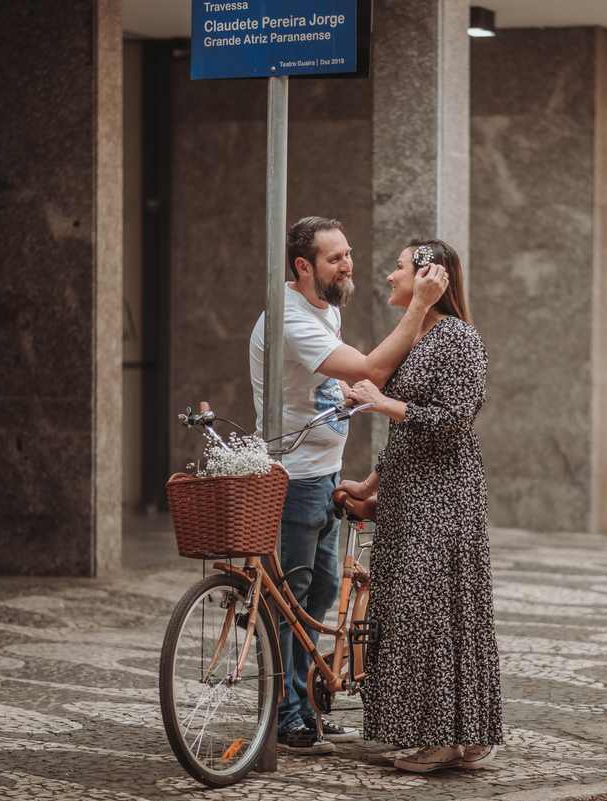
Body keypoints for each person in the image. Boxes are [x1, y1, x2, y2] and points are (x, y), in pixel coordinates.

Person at [249, 217, 449, 755]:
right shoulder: (289, 317)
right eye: (334, 258)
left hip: (325, 472)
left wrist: (345, 392)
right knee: (291, 601)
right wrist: (418, 307)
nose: (348, 264)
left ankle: (304, 708)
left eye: (348, 253)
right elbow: (369, 369)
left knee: (317, 595)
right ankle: (284, 715)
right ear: (303, 266)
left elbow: (335, 377)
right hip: (294, 479)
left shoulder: (327, 308)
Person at [337, 238, 503, 772]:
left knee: (431, 612)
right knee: (425, 611)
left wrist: (382, 402)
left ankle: (444, 738)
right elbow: (407, 433)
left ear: (430, 275)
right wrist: (370, 483)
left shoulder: (458, 337)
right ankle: (464, 734)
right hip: (412, 495)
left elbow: (453, 420)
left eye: (400, 267)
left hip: (444, 497)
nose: (389, 275)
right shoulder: (420, 334)